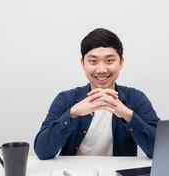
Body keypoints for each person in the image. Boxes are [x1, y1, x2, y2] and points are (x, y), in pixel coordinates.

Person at [34, 28, 160, 160]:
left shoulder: (136, 98)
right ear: (83, 63)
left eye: (109, 61)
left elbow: (160, 149)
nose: (101, 69)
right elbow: (43, 152)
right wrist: (72, 113)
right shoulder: (66, 99)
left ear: (121, 63)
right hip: (72, 175)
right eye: (93, 61)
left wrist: (127, 114)